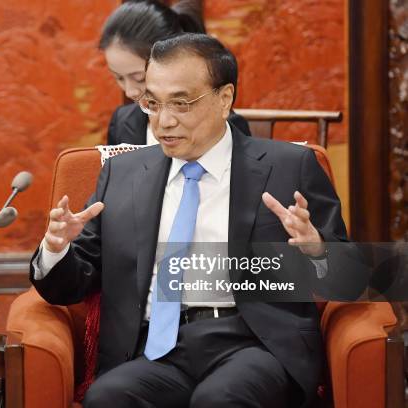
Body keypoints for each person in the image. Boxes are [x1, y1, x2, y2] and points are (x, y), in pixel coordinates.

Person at [31, 34, 365, 407]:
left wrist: (316, 250)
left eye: (181, 103)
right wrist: (55, 250)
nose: (163, 121)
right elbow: (71, 286)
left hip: (254, 344)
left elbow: (351, 282)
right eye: (152, 104)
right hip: (155, 348)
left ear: (225, 99)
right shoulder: (122, 173)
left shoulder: (288, 168)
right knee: (107, 398)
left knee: (219, 400)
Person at [99, 0, 251, 145]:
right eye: (118, 78)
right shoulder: (122, 120)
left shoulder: (222, 124)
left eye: (140, 78)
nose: (130, 92)